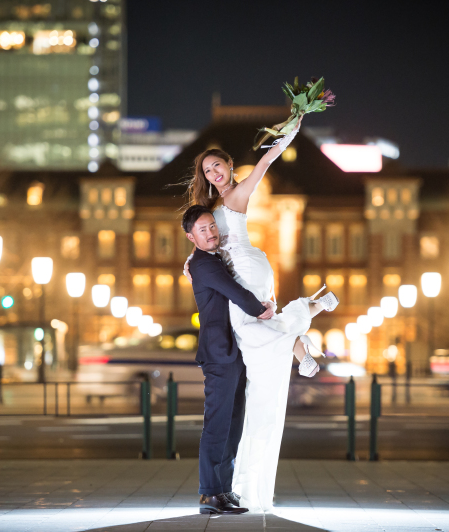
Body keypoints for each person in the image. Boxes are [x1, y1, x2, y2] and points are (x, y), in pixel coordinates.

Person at [182, 119, 339, 512]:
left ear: (231, 167)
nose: (214, 173)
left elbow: (268, 160)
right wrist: (191, 258)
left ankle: (307, 320)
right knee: (255, 334)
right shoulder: (213, 211)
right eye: (208, 170)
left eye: (219, 166)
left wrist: (294, 125)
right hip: (244, 270)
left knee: (254, 328)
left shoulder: (238, 193)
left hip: (246, 271)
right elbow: (205, 236)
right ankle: (303, 333)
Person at [182, 205, 273, 515]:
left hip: (232, 351)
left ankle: (223, 489)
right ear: (190, 236)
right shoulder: (204, 264)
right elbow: (235, 292)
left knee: (233, 423)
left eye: (212, 226)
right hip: (219, 352)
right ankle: (209, 493)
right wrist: (260, 309)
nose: (210, 232)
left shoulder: (214, 259)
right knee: (217, 424)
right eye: (203, 230)